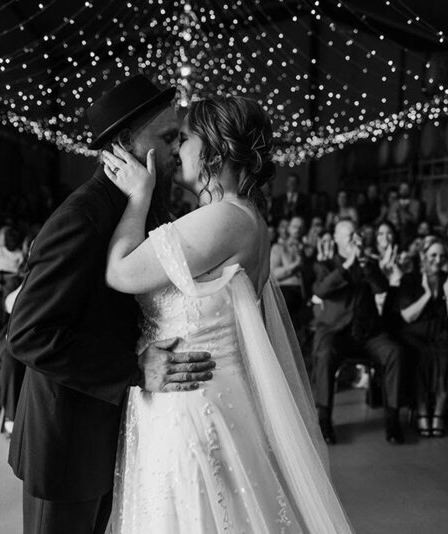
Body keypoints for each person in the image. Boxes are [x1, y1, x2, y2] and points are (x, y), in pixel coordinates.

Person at [100, 94, 353, 532]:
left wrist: (138, 198)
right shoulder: (241, 217)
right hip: (202, 397)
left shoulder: (223, 218)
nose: (176, 150)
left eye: (184, 139)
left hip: (197, 407)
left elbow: (120, 272)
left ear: (214, 147)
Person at [6, 74, 216, 534]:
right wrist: (137, 369)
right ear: (123, 144)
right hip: (66, 440)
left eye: (179, 138)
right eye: (166, 138)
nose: (176, 150)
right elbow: (27, 334)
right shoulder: (82, 217)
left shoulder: (141, 207)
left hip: (110, 427)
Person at [310, 219, 406, 445]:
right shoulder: (325, 264)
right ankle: (324, 421)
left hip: (368, 334)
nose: (355, 239)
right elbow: (321, 290)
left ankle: (393, 421)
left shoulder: (368, 263)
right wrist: (347, 265)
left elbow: (382, 287)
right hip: (336, 333)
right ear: (337, 239)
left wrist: (365, 265)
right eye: (349, 235)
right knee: (324, 354)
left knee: (395, 352)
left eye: (357, 234)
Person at [398, 238, 448, 437]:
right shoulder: (410, 279)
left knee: (445, 354)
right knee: (421, 355)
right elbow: (408, 316)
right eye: (433, 255)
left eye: (442, 255)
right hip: (415, 334)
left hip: (440, 333)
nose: (437, 259)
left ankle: (439, 413)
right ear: (423, 257)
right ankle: (423, 411)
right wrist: (427, 295)